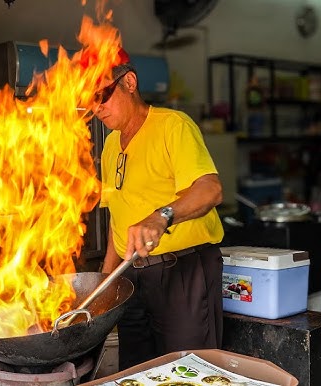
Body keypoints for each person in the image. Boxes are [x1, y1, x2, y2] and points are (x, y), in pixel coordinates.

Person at [94, 48, 225, 370]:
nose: (97, 108)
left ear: (129, 82)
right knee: (138, 370)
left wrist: (161, 216)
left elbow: (210, 189)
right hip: (133, 279)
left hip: (181, 273)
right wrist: (106, 280)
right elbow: (117, 217)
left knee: (188, 369)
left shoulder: (172, 126)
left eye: (102, 96)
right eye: (90, 102)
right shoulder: (111, 144)